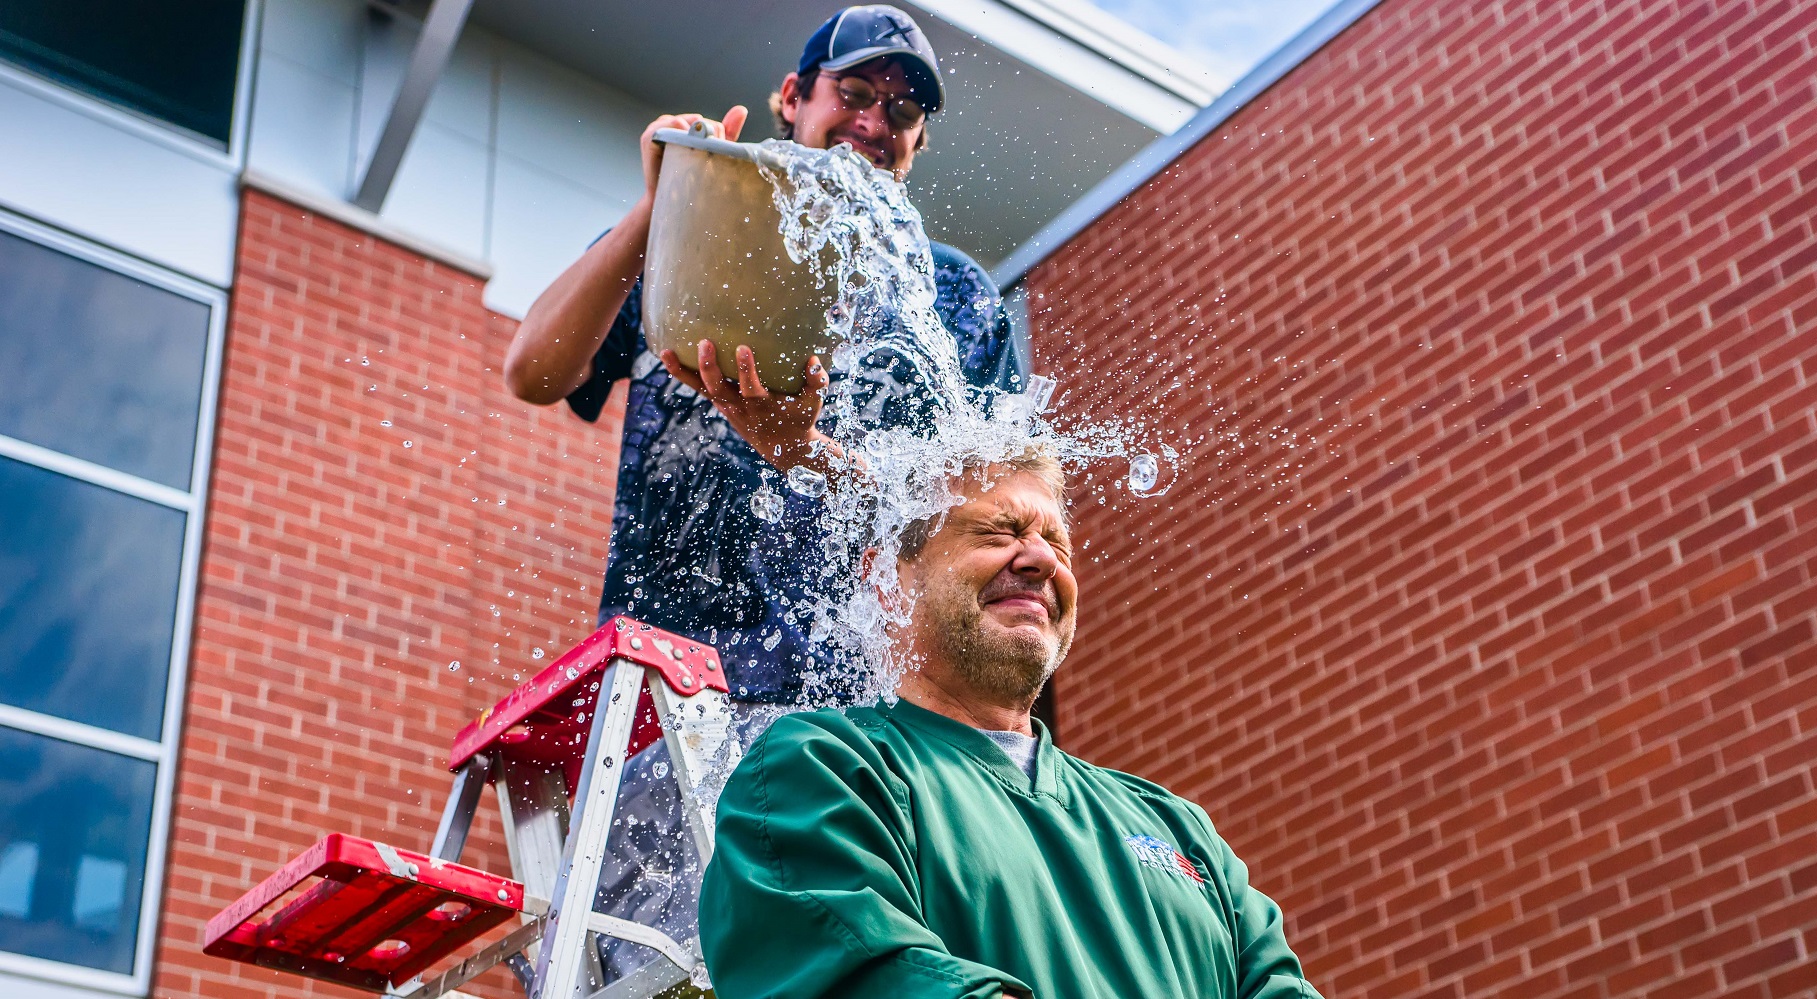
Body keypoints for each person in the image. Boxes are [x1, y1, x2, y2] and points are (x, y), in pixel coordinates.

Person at [499, 5, 1027, 976]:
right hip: (672, 709)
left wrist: (805, 451)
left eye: (902, 109)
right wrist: (660, 202)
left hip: (862, 716)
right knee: (667, 979)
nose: (875, 120)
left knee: (844, 979)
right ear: (792, 100)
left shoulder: (953, 297)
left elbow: (972, 517)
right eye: (854, 93)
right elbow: (534, 370)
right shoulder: (706, 216)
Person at [699, 453, 1321, 998]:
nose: (1042, 560)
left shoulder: (1179, 828)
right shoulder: (825, 768)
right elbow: (856, 974)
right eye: (999, 532)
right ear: (889, 581)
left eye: (1060, 545)